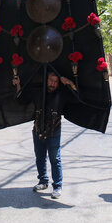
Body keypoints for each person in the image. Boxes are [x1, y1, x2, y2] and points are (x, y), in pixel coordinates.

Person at [12, 71, 79, 199]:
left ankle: (57, 186)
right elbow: (21, 99)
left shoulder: (62, 93)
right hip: (38, 129)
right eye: (50, 80)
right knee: (40, 157)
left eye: (55, 81)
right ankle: (43, 181)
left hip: (54, 130)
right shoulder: (38, 92)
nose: (52, 84)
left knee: (55, 159)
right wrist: (18, 84)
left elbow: (77, 97)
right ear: (46, 80)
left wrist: (69, 83)